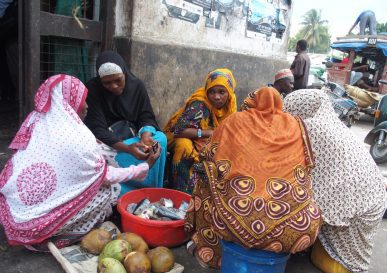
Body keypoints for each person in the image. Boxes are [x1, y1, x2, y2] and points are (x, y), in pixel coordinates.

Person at [0, 74, 160, 250]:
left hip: (14, 211)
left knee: (103, 157)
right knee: (107, 191)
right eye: (83, 100)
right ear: (69, 103)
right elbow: (106, 175)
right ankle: (59, 235)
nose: (87, 106)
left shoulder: (38, 120)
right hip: (34, 225)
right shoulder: (77, 139)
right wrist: (145, 166)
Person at [185, 87, 322, 268]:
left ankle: (211, 252)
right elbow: (308, 166)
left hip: (232, 225)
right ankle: (280, 253)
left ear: (252, 102)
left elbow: (208, 153)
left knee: (205, 174)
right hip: (298, 229)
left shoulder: (235, 120)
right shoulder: (295, 124)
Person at [284, 89, 387, 273]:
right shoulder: (331, 123)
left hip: (356, 208)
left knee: (290, 200)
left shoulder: (309, 127)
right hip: (373, 200)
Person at [84, 51, 166, 195]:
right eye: (107, 83)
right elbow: (97, 129)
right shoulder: (93, 89)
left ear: (125, 74)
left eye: (118, 80)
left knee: (160, 140)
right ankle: (121, 192)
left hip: (132, 136)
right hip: (108, 141)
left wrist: (145, 135)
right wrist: (128, 148)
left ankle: (149, 190)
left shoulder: (137, 86)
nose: (113, 86)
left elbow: (146, 115)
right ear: (100, 80)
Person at [164, 68, 237, 193]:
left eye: (222, 92)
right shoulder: (200, 104)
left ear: (229, 92)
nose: (216, 97)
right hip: (182, 137)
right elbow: (179, 130)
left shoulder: (231, 106)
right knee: (184, 146)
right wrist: (207, 133)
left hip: (206, 142)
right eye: (212, 92)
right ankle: (181, 191)